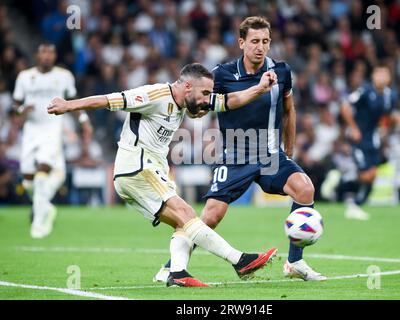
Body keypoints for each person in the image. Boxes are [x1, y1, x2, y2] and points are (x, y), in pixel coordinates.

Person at [47, 63, 279, 287]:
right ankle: (240, 261)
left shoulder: (185, 102)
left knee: (183, 223)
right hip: (137, 168)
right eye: (205, 92)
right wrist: (68, 105)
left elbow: (227, 102)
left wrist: (259, 88)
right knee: (187, 214)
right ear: (188, 86)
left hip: (148, 171)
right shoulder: (154, 94)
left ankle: (176, 273)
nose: (207, 99)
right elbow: (108, 99)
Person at [155, 16, 326, 282]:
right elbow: (201, 105)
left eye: (266, 41)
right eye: (255, 41)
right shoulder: (222, 75)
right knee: (210, 216)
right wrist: (202, 108)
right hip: (235, 157)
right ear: (241, 42)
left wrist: (288, 152)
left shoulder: (281, 71)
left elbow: (289, 111)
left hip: (270, 155)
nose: (260, 47)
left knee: (304, 188)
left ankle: (295, 262)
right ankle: (170, 267)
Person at [12, 43, 92, 238]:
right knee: (28, 180)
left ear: (55, 56)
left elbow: (74, 101)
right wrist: (22, 111)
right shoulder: (24, 77)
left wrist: (83, 120)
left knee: (42, 172)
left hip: (52, 129)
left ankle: (38, 225)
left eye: (51, 53)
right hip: (31, 130)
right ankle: (46, 207)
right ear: (37, 55)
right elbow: (15, 105)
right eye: (43, 52)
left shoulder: (64, 76)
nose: (47, 56)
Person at [322, 65, 397, 220]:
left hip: (373, 139)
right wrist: (354, 128)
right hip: (359, 138)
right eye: (379, 73)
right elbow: (344, 106)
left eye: (385, 73)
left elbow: (387, 116)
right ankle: (339, 182)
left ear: (389, 77)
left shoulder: (391, 95)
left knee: (373, 175)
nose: (382, 77)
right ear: (374, 75)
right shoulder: (365, 91)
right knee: (365, 175)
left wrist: (386, 126)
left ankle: (356, 205)